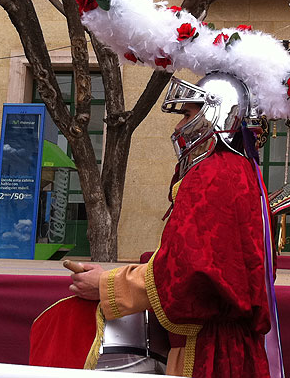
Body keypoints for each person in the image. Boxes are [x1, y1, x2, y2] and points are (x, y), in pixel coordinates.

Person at [69, 73, 274, 378]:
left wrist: (107, 285)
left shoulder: (213, 173)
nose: (179, 126)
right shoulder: (238, 169)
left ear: (215, 114)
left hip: (208, 351)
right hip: (226, 346)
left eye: (188, 114)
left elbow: (190, 272)